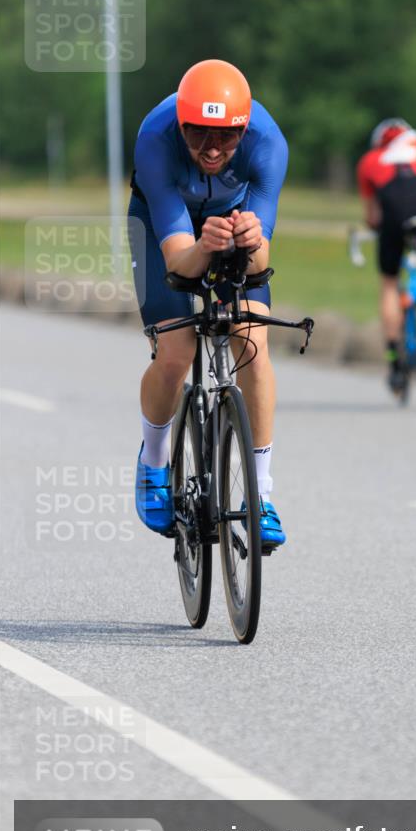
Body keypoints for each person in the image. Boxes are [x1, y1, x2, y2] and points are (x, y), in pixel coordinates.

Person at [128, 59, 288, 549]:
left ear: (243, 129)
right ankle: (154, 462)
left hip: (235, 219)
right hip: (166, 226)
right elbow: (178, 263)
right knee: (176, 352)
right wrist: (204, 246)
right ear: (181, 125)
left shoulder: (268, 144)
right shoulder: (155, 139)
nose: (213, 149)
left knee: (252, 345)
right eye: (199, 135)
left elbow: (260, 261)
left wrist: (249, 237)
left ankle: (260, 492)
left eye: (226, 137)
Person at [356, 118, 416, 391]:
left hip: (393, 211)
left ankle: (395, 359)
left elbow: (372, 215)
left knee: (390, 283)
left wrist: (377, 227)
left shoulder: (370, 161)